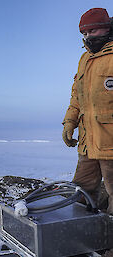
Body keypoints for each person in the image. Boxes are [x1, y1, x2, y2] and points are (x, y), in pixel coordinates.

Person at [63, 8, 113, 213]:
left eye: (92, 31)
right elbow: (77, 96)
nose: (87, 37)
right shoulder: (85, 59)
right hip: (87, 144)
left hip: (110, 144)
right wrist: (69, 123)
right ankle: (80, 238)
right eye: (84, 33)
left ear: (105, 28)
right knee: (80, 192)